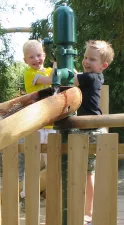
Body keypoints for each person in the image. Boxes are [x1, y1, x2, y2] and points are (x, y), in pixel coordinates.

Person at [72, 40, 114, 225]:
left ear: (103, 66)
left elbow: (71, 78)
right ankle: (88, 211)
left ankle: (88, 213)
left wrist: (51, 73)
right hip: (89, 128)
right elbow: (76, 76)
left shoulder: (91, 77)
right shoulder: (92, 77)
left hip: (91, 130)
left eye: (92, 59)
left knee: (88, 173)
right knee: (87, 172)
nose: (86, 61)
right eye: (85, 57)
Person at [19, 39, 56, 207]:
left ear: (44, 55)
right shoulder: (30, 74)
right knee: (33, 162)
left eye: (39, 55)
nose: (36, 59)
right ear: (25, 60)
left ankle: (50, 191)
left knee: (53, 162)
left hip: (51, 124)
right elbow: (51, 80)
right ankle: (27, 193)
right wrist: (58, 64)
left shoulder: (48, 70)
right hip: (37, 125)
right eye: (31, 57)